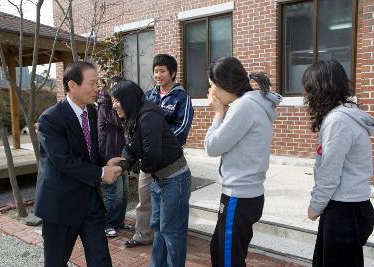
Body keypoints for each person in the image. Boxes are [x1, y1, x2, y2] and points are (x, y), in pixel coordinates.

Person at [34, 61, 117, 267]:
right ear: (72, 85)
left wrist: (106, 161)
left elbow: (89, 151)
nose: (97, 89)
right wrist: (100, 173)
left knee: (101, 260)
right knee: (56, 262)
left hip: (90, 201)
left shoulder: (91, 112)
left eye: (97, 83)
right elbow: (64, 161)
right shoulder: (50, 119)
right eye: (92, 83)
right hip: (60, 204)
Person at [204, 57, 282, 267]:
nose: (210, 91)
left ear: (221, 85)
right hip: (244, 195)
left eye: (211, 86)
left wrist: (218, 114)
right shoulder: (252, 103)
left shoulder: (243, 107)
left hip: (239, 196)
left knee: (227, 260)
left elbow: (212, 146)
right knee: (220, 251)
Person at [106, 80, 192, 267]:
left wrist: (132, 166)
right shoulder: (132, 117)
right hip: (159, 178)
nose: (113, 105)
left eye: (116, 101)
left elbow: (151, 158)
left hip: (174, 178)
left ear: (127, 100)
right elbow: (130, 147)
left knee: (171, 231)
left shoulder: (148, 117)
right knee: (159, 228)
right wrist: (122, 165)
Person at [303, 60, 374, 267]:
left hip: (343, 211)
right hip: (350, 207)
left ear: (320, 89)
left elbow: (330, 173)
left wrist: (315, 206)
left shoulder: (338, 122)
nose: (305, 96)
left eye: (308, 89)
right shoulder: (345, 115)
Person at [125, 53, 194, 248]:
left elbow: (182, 127)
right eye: (155, 71)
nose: (158, 75)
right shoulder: (149, 95)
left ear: (172, 73)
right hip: (149, 157)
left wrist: (161, 143)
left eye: (162, 71)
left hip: (170, 161)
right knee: (145, 197)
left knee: (170, 201)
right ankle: (143, 234)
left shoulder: (182, 97)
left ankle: (168, 236)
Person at [97, 76, 134, 238]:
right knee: (113, 193)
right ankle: (107, 224)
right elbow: (119, 120)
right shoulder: (104, 105)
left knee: (124, 193)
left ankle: (118, 222)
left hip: (121, 156)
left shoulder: (114, 104)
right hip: (108, 157)